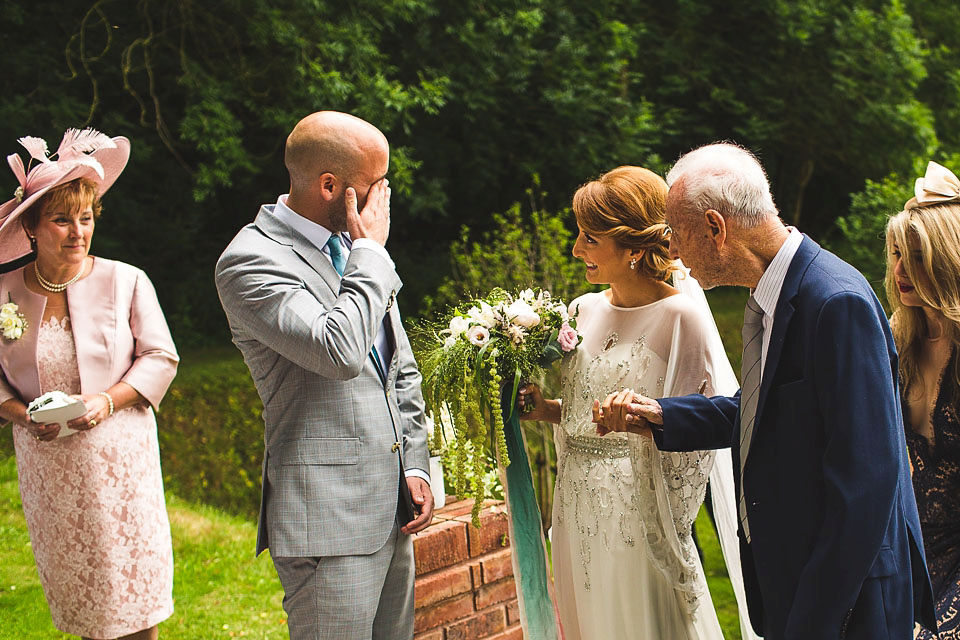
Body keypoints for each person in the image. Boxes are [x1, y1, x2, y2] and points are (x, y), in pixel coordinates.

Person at [594, 143, 937, 639]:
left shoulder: (835, 302)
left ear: (716, 228)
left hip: (846, 605)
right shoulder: (770, 296)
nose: (671, 250)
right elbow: (769, 413)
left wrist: (813, 621)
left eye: (675, 232)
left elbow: (867, 486)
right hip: (794, 584)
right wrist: (663, 416)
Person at [215, 111, 433, 640]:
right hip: (327, 521)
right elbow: (340, 352)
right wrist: (372, 253)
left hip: (391, 508)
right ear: (329, 185)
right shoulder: (250, 261)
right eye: (374, 184)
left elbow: (396, 364)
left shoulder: (355, 248)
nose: (384, 197)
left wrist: (417, 464)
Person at [517, 166, 755, 639]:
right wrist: (546, 410)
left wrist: (640, 424)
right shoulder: (582, 310)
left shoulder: (679, 317)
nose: (575, 249)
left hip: (637, 513)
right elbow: (590, 416)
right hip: (575, 502)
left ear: (630, 248)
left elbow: (692, 438)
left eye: (589, 237)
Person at [0, 129, 179, 640]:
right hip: (49, 467)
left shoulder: (128, 280)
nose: (77, 232)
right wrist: (21, 416)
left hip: (121, 461)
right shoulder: (4, 292)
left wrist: (105, 401)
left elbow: (160, 356)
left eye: (86, 218)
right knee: (83, 601)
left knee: (136, 602)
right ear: (32, 227)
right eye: (61, 219)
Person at [886, 160, 960, 640]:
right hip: (906, 547)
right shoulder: (891, 340)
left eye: (915, 255)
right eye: (895, 254)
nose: (899, 271)